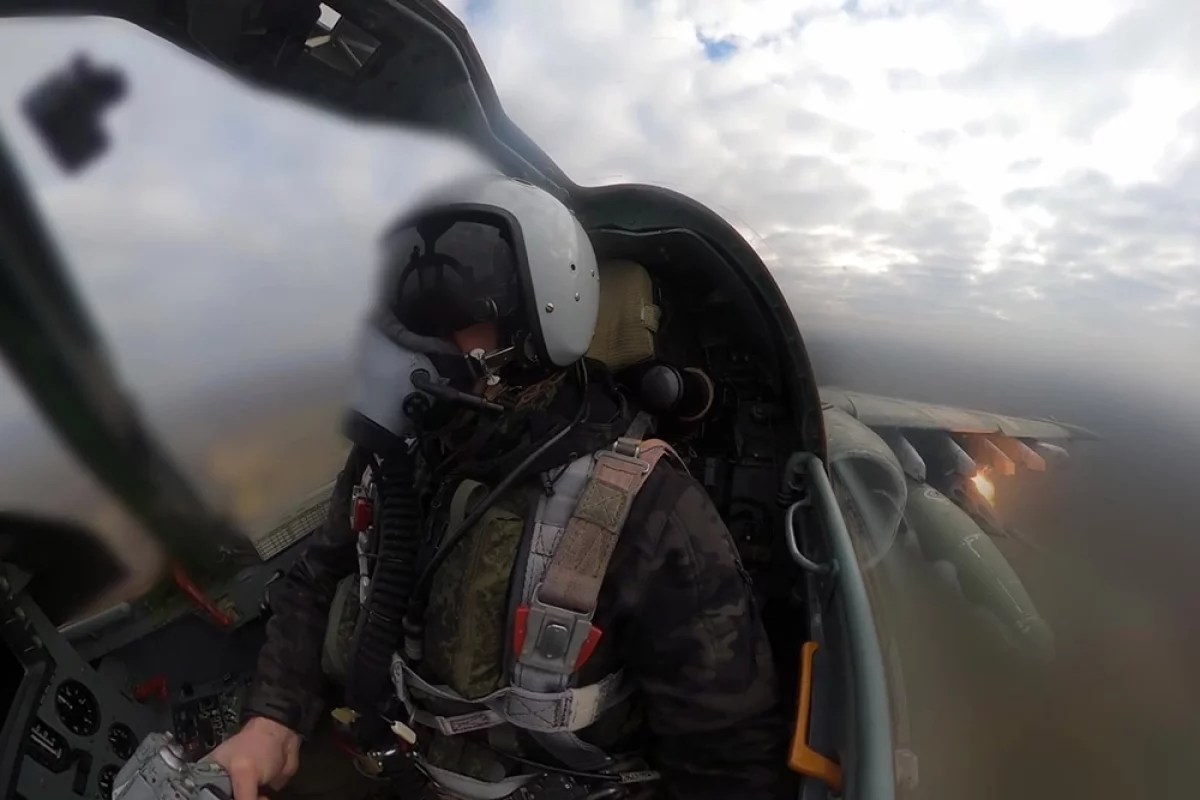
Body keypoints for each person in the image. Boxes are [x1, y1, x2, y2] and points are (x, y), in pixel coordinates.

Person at [210, 174, 792, 800]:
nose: (412, 341)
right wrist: (273, 717)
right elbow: (315, 582)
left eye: (449, 313)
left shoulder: (650, 511)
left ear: (539, 323)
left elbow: (728, 764)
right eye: (405, 314)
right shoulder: (396, 459)